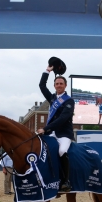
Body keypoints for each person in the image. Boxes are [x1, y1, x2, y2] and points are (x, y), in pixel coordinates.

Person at [39, 63, 75, 193]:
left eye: (61, 83)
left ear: (65, 86)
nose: (59, 85)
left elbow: (62, 119)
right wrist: (47, 71)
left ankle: (66, 181)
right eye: (57, 84)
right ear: (54, 86)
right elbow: (42, 86)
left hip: (64, 134)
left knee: (61, 151)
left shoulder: (69, 101)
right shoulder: (53, 98)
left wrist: (45, 128)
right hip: (51, 133)